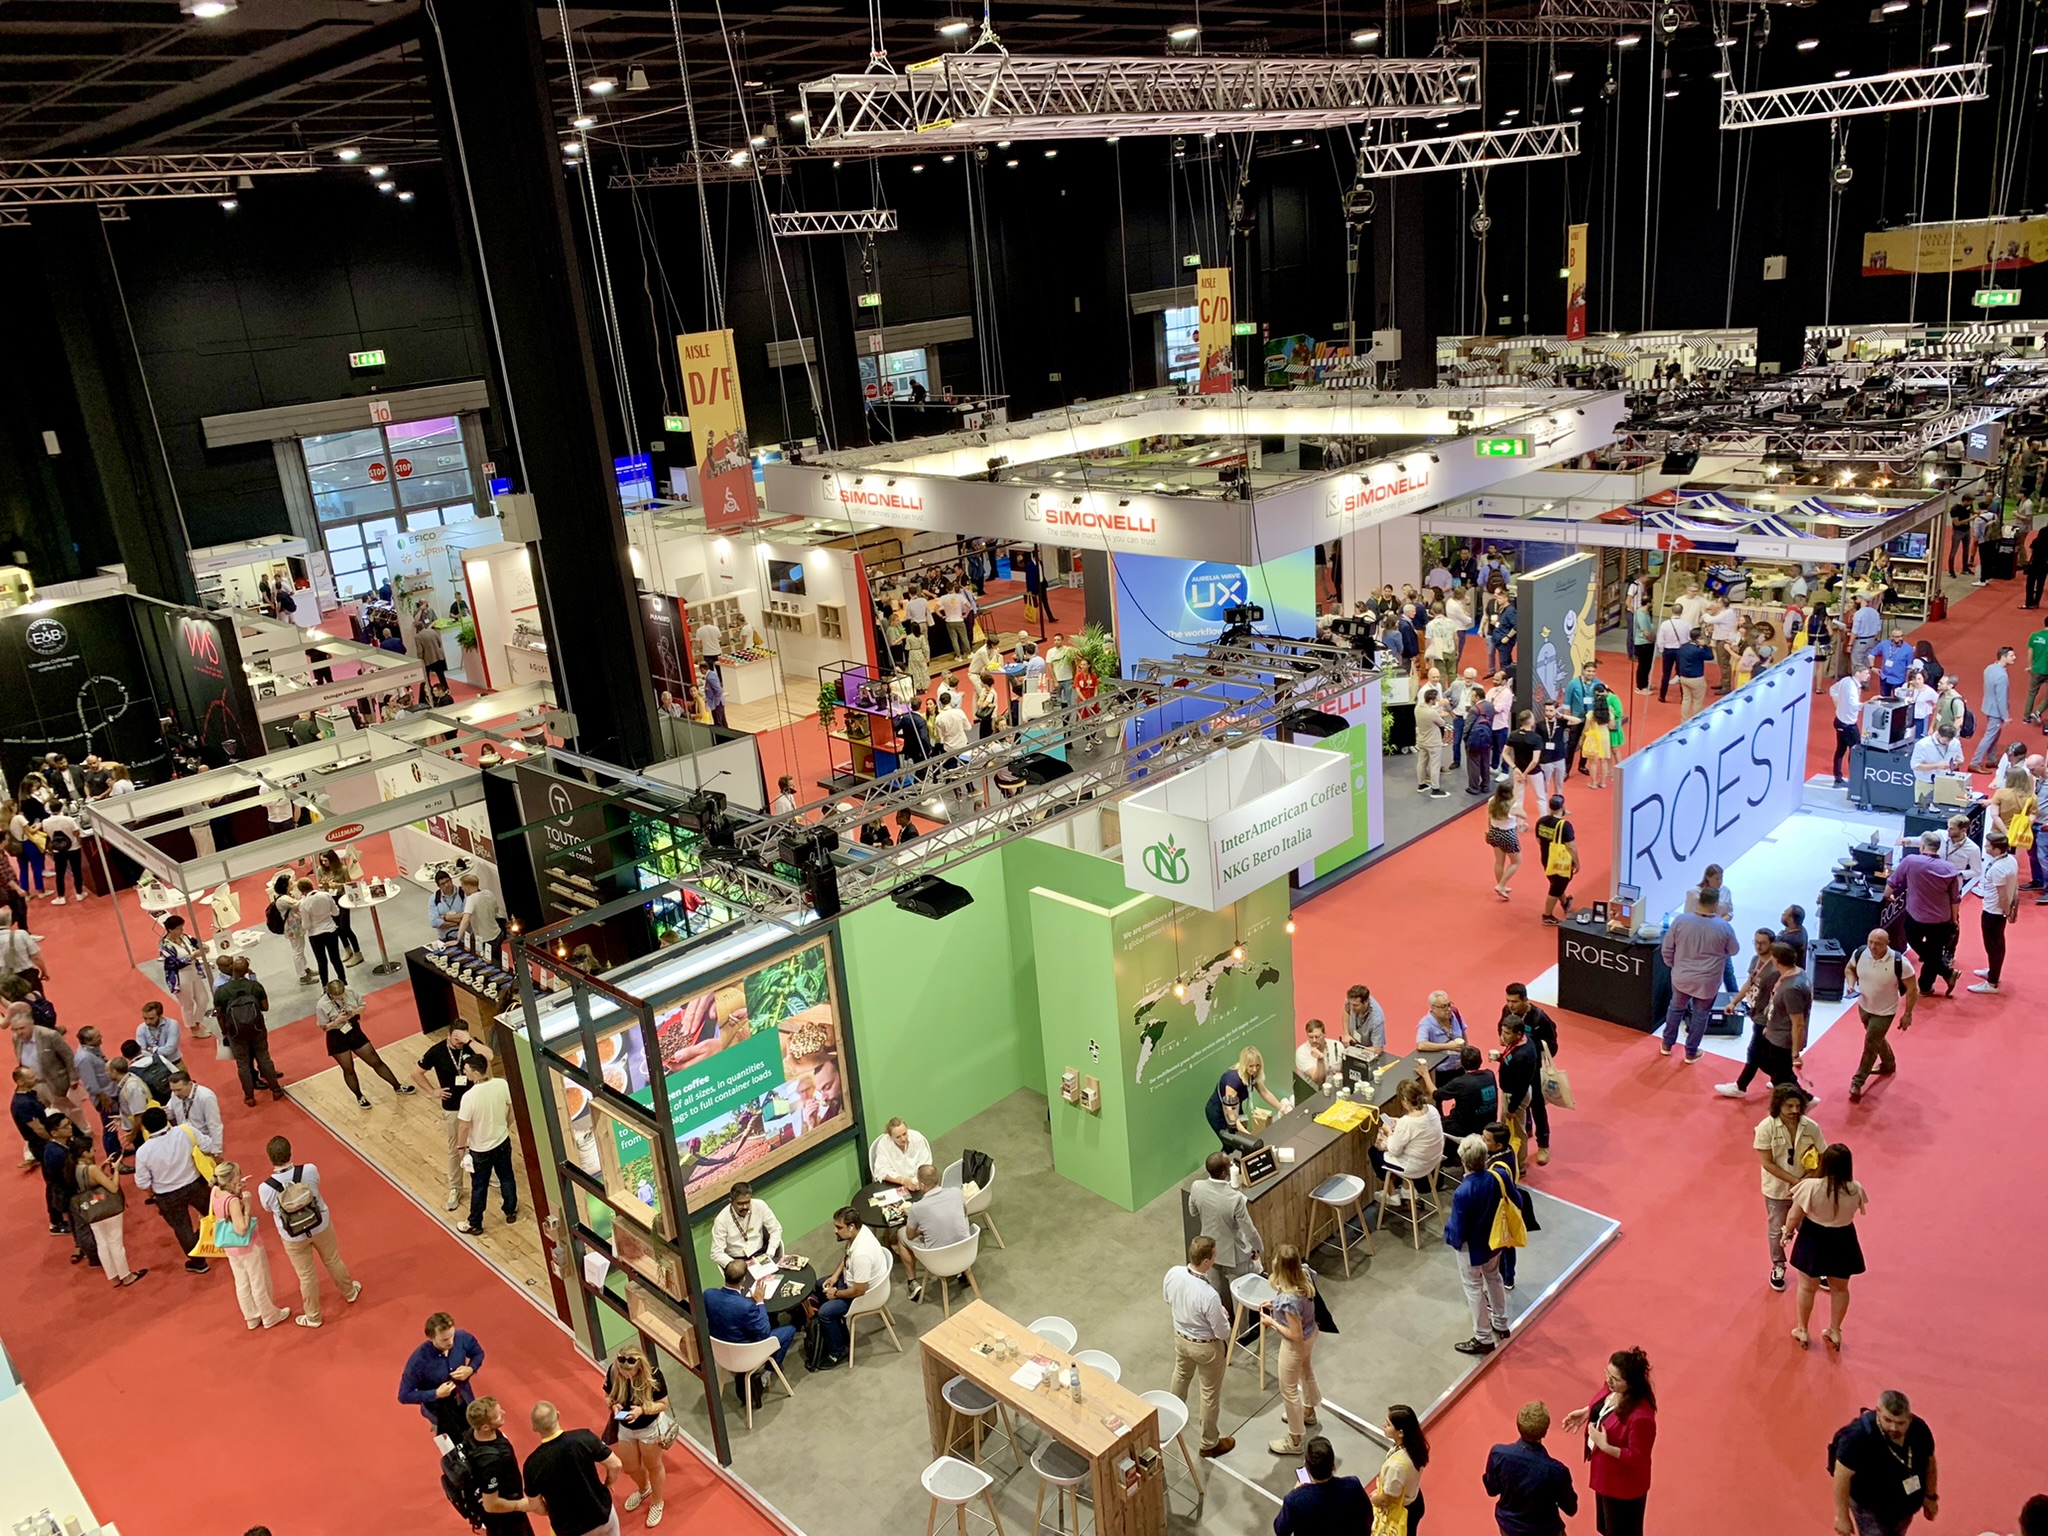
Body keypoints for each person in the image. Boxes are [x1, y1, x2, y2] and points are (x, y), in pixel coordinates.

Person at [258, 1133, 360, 1327]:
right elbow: (316, 1186)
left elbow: (268, 1208)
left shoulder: (265, 1188)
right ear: (290, 1152)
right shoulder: (309, 1170)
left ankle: (313, 1316)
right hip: (320, 1225)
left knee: (306, 1276)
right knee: (333, 1260)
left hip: (293, 1236)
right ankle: (350, 1292)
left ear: (270, 1159)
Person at [1561, 1348, 1658, 1536]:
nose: (1608, 1380)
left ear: (1630, 1384)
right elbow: (1605, 1405)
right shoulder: (1613, 1388)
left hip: (1623, 1487)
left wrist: (1606, 1447)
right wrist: (1588, 1411)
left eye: (1615, 1379)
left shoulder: (1641, 1418)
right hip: (1606, 1476)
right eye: (1607, 1373)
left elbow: (1639, 1458)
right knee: (1607, 1528)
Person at [1783, 1142, 1868, 1351]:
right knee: (1840, 1288)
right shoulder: (1856, 1189)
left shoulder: (1810, 1187)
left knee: (1806, 1287)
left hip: (1814, 1237)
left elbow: (1794, 1215)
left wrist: (1787, 1233)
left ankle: (1803, 1329)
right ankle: (1835, 1330)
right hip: (1843, 1239)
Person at [1164, 1236, 1237, 1459]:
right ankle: (1209, 1443)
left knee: (1181, 1375)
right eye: (1214, 1255)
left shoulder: (1173, 1273)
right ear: (1206, 1261)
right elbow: (1222, 1333)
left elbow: (1168, 1299)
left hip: (1180, 1338)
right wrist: (1224, 1316)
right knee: (1209, 1395)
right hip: (1206, 1348)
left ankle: (1171, 1418)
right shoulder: (1209, 1295)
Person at [1712, 940, 1810, 1100]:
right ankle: (1775, 1081)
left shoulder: (1787, 984)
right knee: (1767, 1061)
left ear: (1776, 959)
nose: (1758, 946)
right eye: (1755, 942)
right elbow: (1751, 984)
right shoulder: (1793, 974)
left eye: (1763, 943)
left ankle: (1804, 1098)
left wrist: (1795, 1052)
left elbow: (1797, 1022)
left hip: (1778, 1032)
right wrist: (1735, 1002)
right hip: (1771, 1026)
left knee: (1760, 1057)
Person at [1444, 1135, 1515, 1355]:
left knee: (1473, 1288)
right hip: (1495, 1241)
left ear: (1463, 1161)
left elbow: (1458, 1229)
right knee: (1494, 1277)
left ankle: (1483, 1337)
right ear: (1485, 1157)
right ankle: (1501, 1323)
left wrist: (1450, 1238)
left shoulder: (1463, 1192)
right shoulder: (1500, 1176)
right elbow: (1518, 1201)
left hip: (1471, 1249)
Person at [1830, 1390, 1937, 1536]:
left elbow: (1930, 1463)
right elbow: (1841, 1475)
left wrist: (1930, 1496)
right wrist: (1842, 1516)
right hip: (1871, 1510)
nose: (1894, 1428)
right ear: (1878, 1412)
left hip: (1905, 1507)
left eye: (1900, 1423)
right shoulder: (1857, 1438)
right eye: (1887, 1420)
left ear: (1909, 1418)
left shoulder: (1920, 1430)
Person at [1659, 888, 1740, 1062]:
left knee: (1675, 1008)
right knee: (1700, 1014)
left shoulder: (1681, 921)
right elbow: (1734, 950)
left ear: (1698, 901)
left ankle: (1666, 1044)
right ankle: (1691, 1052)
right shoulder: (1724, 927)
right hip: (1708, 982)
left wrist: (1674, 966)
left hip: (1681, 977)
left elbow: (1667, 948)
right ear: (1716, 904)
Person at [523, 1399, 626, 1536]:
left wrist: (552, 1511)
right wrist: (607, 1485)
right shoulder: (583, 1438)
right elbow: (616, 1464)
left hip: (570, 1529)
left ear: (534, 1428)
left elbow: (535, 1505)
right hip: (602, 1515)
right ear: (558, 1415)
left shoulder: (532, 1465)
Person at [416, 1026, 491, 1212]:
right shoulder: (437, 1051)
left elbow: (489, 1056)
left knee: (484, 1140)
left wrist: (469, 1040)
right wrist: (432, 1091)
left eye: (461, 1038)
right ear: (448, 1035)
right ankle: (455, 1187)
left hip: (476, 1102)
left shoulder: (470, 1044)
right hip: (453, 1107)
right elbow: (416, 1072)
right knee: (456, 1147)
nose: (459, 1042)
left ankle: (492, 1176)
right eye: (456, 1038)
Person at [130, 1104, 212, 1274]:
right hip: (196, 1183)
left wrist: (152, 1194)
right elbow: (207, 1145)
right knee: (213, 1214)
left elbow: (142, 1182)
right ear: (166, 1119)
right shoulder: (185, 1131)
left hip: (167, 1195)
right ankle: (229, 1243)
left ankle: (199, 1263)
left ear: (145, 1128)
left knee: (183, 1229)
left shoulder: (143, 1151)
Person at [1187, 1149, 1263, 1329]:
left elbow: (1192, 1211)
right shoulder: (1236, 1199)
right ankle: (1241, 1333)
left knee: (1214, 1293)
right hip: (1234, 1255)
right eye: (1229, 1165)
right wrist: (1258, 1248)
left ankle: (1218, 1328)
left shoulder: (1197, 1187)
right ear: (1224, 1172)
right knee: (1240, 1297)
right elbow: (1249, 1230)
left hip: (1209, 1252)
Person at [706, 1256, 796, 1407]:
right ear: (743, 1279)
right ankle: (767, 1373)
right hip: (747, 1353)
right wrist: (760, 1302)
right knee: (790, 1330)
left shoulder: (708, 1295)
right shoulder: (746, 1307)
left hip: (720, 1352)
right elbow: (764, 1332)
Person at [1840, 929, 1918, 1102]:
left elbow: (1913, 989)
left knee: (1871, 1043)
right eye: (1871, 942)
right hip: (1864, 1006)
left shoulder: (1900, 963)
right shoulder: (1860, 953)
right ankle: (1888, 1063)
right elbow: (1850, 968)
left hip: (1885, 1011)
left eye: (1878, 944)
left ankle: (1858, 1082)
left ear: (1887, 944)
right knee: (1875, 1038)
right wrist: (1851, 985)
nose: (1873, 947)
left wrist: (1908, 1014)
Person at [1260, 1244, 1322, 1457]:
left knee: (1289, 1390)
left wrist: (1272, 1322)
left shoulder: (1288, 1299)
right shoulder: (1305, 1274)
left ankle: (1295, 1440)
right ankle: (1309, 1411)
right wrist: (1275, 1304)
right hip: (1312, 1332)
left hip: (1296, 1345)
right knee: (1307, 1372)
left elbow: (1295, 1334)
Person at [807, 1206, 890, 1363]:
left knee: (825, 1313)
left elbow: (859, 1290)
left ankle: (837, 1352)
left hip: (864, 1295)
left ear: (851, 1227)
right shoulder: (859, 1232)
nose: (835, 1231)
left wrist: (835, 1293)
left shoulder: (861, 1255)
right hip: (852, 1282)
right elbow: (846, 1256)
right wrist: (834, 1276)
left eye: (839, 1227)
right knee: (820, 1285)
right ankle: (836, 1328)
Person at [1484, 1401, 1579, 1535]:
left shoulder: (1498, 1454)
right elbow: (1571, 1508)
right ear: (1545, 1432)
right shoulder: (1557, 1471)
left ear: (1518, 1426)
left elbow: (1492, 1489)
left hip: (1509, 1526)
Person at [209, 1161, 285, 1326]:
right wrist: (248, 1206)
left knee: (242, 1282)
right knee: (259, 1282)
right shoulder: (232, 1201)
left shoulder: (215, 1191)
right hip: (248, 1246)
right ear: (231, 1180)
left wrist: (237, 1190)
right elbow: (242, 1229)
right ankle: (269, 1316)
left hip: (230, 1247)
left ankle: (251, 1317)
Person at [1886, 831, 1961, 996]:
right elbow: (1955, 898)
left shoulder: (1910, 861)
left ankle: (1942, 975)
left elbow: (1893, 881)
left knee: (1915, 942)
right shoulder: (1950, 868)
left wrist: (1887, 895)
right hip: (1941, 919)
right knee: (1935, 950)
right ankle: (1928, 985)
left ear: (1922, 846)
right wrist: (1954, 919)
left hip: (1915, 917)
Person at [317, 979, 413, 1109]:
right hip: (337, 1037)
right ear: (330, 994)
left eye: (342, 994)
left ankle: (398, 1086)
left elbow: (362, 1006)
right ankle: (359, 1096)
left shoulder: (350, 991)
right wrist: (336, 1021)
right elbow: (324, 1027)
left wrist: (353, 1012)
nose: (340, 997)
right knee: (349, 1070)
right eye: (336, 996)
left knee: (376, 1061)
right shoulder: (322, 1005)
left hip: (354, 1030)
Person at [399, 1310, 486, 1439]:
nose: (451, 1342)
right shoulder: (418, 1361)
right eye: (445, 1339)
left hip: (466, 1401)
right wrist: (436, 1394)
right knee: (453, 1447)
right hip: (440, 1414)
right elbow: (404, 1395)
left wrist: (471, 1369)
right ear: (431, 1338)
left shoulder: (461, 1337)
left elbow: (478, 1353)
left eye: (452, 1336)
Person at [456, 1055, 519, 1236]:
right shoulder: (501, 1084)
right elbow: (512, 1108)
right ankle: (510, 1210)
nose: (464, 1073)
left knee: (479, 1186)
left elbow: (464, 1126)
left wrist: (461, 1148)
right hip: (502, 1141)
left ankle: (475, 1223)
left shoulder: (469, 1097)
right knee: (507, 1177)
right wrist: (505, 1125)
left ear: (476, 1073)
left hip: (480, 1149)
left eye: (466, 1070)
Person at [215, 957, 286, 1106]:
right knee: (264, 1058)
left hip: (235, 1032)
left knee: (243, 1064)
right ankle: (276, 1090)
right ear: (247, 970)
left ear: (232, 969)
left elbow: (220, 1015)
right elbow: (265, 1007)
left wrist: (225, 1032)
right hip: (257, 1028)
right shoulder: (255, 986)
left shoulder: (221, 991)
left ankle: (249, 1097)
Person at [464, 1397, 538, 1536]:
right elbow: (491, 1505)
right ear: (485, 1427)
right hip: (506, 1520)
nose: (504, 1413)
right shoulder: (491, 1461)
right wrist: (520, 1505)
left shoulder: (472, 1434)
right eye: (497, 1415)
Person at [1274, 1434, 1372, 1534]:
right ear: (1333, 1466)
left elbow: (1280, 1530)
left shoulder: (1294, 1500)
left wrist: (1295, 1491)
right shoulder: (1353, 1486)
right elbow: (1368, 1516)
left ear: (1306, 1465)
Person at [78, 1140, 141, 1287]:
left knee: (102, 1243)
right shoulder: (92, 1169)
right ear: (84, 1153)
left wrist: (102, 1167)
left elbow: (90, 1181)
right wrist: (116, 1170)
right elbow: (113, 1188)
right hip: (106, 1207)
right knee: (115, 1242)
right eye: (92, 1149)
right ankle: (126, 1276)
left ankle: (113, 1277)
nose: (94, 1151)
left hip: (90, 1208)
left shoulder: (74, 1168)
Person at [1971, 829, 2021, 994]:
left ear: (1997, 849)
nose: (1985, 847)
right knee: (1996, 945)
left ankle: (1992, 983)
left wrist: (2007, 912)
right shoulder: (2011, 860)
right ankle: (1993, 971)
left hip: (1993, 912)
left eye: (1988, 846)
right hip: (1998, 912)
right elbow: (2014, 886)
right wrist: (2012, 908)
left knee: (1993, 947)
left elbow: (2003, 896)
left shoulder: (1997, 869)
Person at [1205, 1046, 1282, 1152]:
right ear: (1244, 1065)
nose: (1255, 1069)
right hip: (1219, 1112)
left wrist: (1282, 1108)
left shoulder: (1253, 1074)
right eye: (1251, 1066)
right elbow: (1230, 1113)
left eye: (1257, 1065)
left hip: (1235, 1107)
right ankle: (1222, 1161)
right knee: (1232, 1142)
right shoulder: (1233, 1081)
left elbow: (1265, 1093)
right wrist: (1246, 1134)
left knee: (1242, 1141)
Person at [1496, 1018, 1542, 1170]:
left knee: (1517, 1132)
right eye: (1503, 1031)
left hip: (1515, 1097)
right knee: (1510, 1129)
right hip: (1511, 1093)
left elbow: (1522, 1086)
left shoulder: (1524, 1054)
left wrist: (1511, 1108)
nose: (1503, 1036)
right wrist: (1501, 1058)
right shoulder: (1519, 1042)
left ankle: (1520, 1166)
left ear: (1518, 1034)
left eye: (1507, 1033)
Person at [1428, 1046, 1498, 1141]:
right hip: (1488, 1123)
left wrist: (1425, 1074)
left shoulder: (1460, 1082)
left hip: (1465, 1129)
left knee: (1436, 1121)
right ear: (1480, 1061)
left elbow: (1436, 1094)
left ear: (1461, 1063)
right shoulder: (1490, 1074)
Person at [709, 1180, 782, 1264]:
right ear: (731, 1202)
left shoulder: (760, 1206)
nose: (745, 1207)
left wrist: (770, 1252)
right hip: (737, 1259)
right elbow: (716, 1252)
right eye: (740, 1204)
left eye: (747, 1202)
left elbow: (775, 1229)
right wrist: (735, 1264)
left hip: (760, 1252)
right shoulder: (721, 1220)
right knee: (739, 1270)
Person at [1533, 794, 1577, 926]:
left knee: (1555, 882)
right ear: (1563, 807)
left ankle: (1565, 902)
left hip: (1546, 858)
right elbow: (1571, 846)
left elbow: (1538, 839)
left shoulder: (1541, 821)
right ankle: (1547, 916)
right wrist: (1576, 862)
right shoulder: (1565, 826)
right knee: (1557, 886)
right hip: (1560, 861)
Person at [297, 878, 346, 986]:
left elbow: (306, 925)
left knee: (321, 962)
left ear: (301, 891)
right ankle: (344, 982)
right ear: (311, 884)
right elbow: (336, 913)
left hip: (315, 935)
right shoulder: (326, 895)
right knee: (336, 959)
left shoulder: (303, 903)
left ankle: (325, 985)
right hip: (331, 930)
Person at [166, 1069, 222, 1157]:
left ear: (190, 1084)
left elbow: (214, 1125)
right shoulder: (175, 1095)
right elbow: (171, 1113)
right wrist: (165, 1113)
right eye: (173, 1090)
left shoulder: (206, 1097)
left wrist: (217, 1150)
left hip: (203, 1142)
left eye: (179, 1090)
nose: (176, 1093)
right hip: (185, 1141)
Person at [869, 1116, 933, 1189]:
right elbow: (881, 1171)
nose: (903, 1139)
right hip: (894, 1184)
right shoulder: (884, 1144)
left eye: (904, 1134)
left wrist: (916, 1181)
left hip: (919, 1182)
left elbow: (926, 1163)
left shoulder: (917, 1138)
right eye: (898, 1137)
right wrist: (903, 1180)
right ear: (890, 1136)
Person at [1485, 778, 1523, 899]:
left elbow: (1489, 817)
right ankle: (1501, 885)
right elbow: (1524, 815)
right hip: (1508, 834)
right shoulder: (1513, 805)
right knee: (1516, 862)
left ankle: (1501, 885)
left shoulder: (1492, 801)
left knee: (1499, 862)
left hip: (1494, 832)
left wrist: (1489, 831)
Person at [458, 874, 506, 969]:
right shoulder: (489, 893)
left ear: (468, 886)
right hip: (497, 933)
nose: (462, 889)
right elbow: (495, 911)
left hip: (485, 939)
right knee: (499, 963)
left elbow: (466, 919)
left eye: (463, 886)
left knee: (485, 966)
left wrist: (458, 938)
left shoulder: (471, 899)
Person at [1830, 668, 1866, 786]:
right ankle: (1855, 779)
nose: (1868, 675)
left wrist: (1838, 705)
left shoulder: (1845, 680)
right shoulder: (1852, 688)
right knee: (1855, 752)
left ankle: (1838, 778)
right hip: (1848, 726)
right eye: (1865, 673)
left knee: (1840, 750)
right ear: (1858, 673)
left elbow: (1832, 689)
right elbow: (1855, 706)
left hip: (1839, 721)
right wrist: (1869, 703)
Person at [1414, 991, 1469, 1067]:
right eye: (1443, 1007)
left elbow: (1463, 1032)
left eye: (1449, 1005)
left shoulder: (1455, 1014)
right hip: (1442, 1069)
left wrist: (1467, 1052)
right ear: (1433, 1008)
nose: (1448, 1009)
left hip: (1460, 1065)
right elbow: (1421, 1045)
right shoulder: (1426, 1024)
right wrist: (1447, 1046)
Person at [1414, 685, 1449, 797]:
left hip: (1421, 740)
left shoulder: (1417, 708)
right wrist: (1439, 715)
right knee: (1435, 765)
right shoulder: (1431, 712)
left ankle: (1421, 784)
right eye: (1436, 699)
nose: (1437, 701)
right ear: (1432, 700)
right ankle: (1435, 789)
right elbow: (1442, 723)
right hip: (1433, 742)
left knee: (1421, 762)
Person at [1293, 1017, 1343, 1090]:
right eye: (1310, 1037)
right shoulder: (1302, 1052)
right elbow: (1319, 1081)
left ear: (1324, 1034)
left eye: (1317, 1037)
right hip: (1313, 1092)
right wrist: (1320, 1059)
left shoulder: (1337, 1046)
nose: (1314, 1040)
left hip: (1337, 1088)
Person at [1675, 627, 1713, 719]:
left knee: (1686, 699)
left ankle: (1684, 720)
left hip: (1684, 677)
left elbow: (1678, 660)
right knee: (1697, 701)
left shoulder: (1683, 647)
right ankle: (1696, 720)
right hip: (1696, 678)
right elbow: (1710, 656)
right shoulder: (1698, 651)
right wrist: (1706, 646)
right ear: (1699, 638)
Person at [1342, 984, 1386, 1050]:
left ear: (1366, 1002)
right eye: (1351, 1004)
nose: (1352, 1007)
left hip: (1367, 1049)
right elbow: (1346, 1011)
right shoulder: (1352, 999)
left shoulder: (1377, 1019)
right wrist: (1346, 1034)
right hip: (1352, 1041)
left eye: (1356, 1005)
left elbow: (1377, 1049)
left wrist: (1358, 1051)